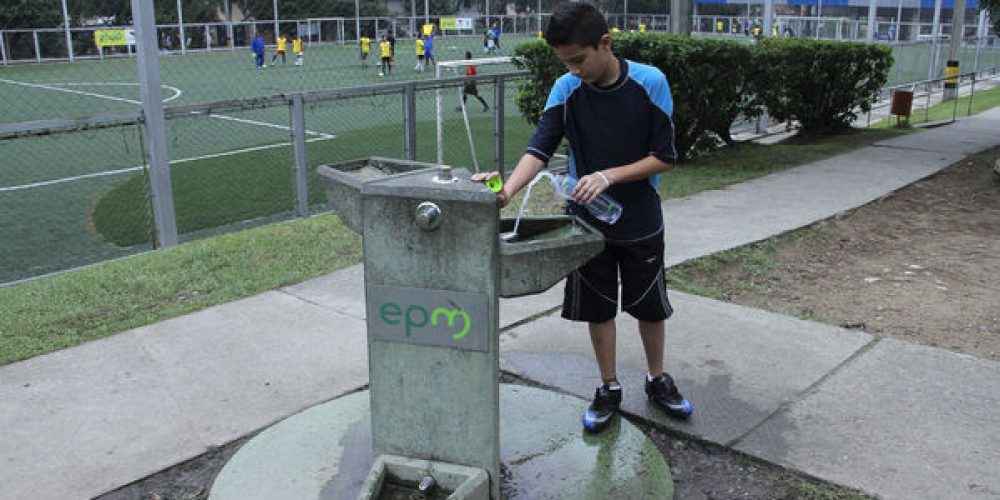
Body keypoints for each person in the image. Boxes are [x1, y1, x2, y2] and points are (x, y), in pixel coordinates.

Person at [470, 1, 692, 433]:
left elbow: (664, 157)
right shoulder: (565, 89)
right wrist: (507, 191)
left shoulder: (650, 82)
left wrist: (610, 175)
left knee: (650, 307)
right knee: (598, 306)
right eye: (565, 62)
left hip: (641, 218)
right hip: (586, 223)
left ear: (604, 44)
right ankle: (608, 387)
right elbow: (540, 147)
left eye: (578, 59)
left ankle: (656, 379)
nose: (572, 70)